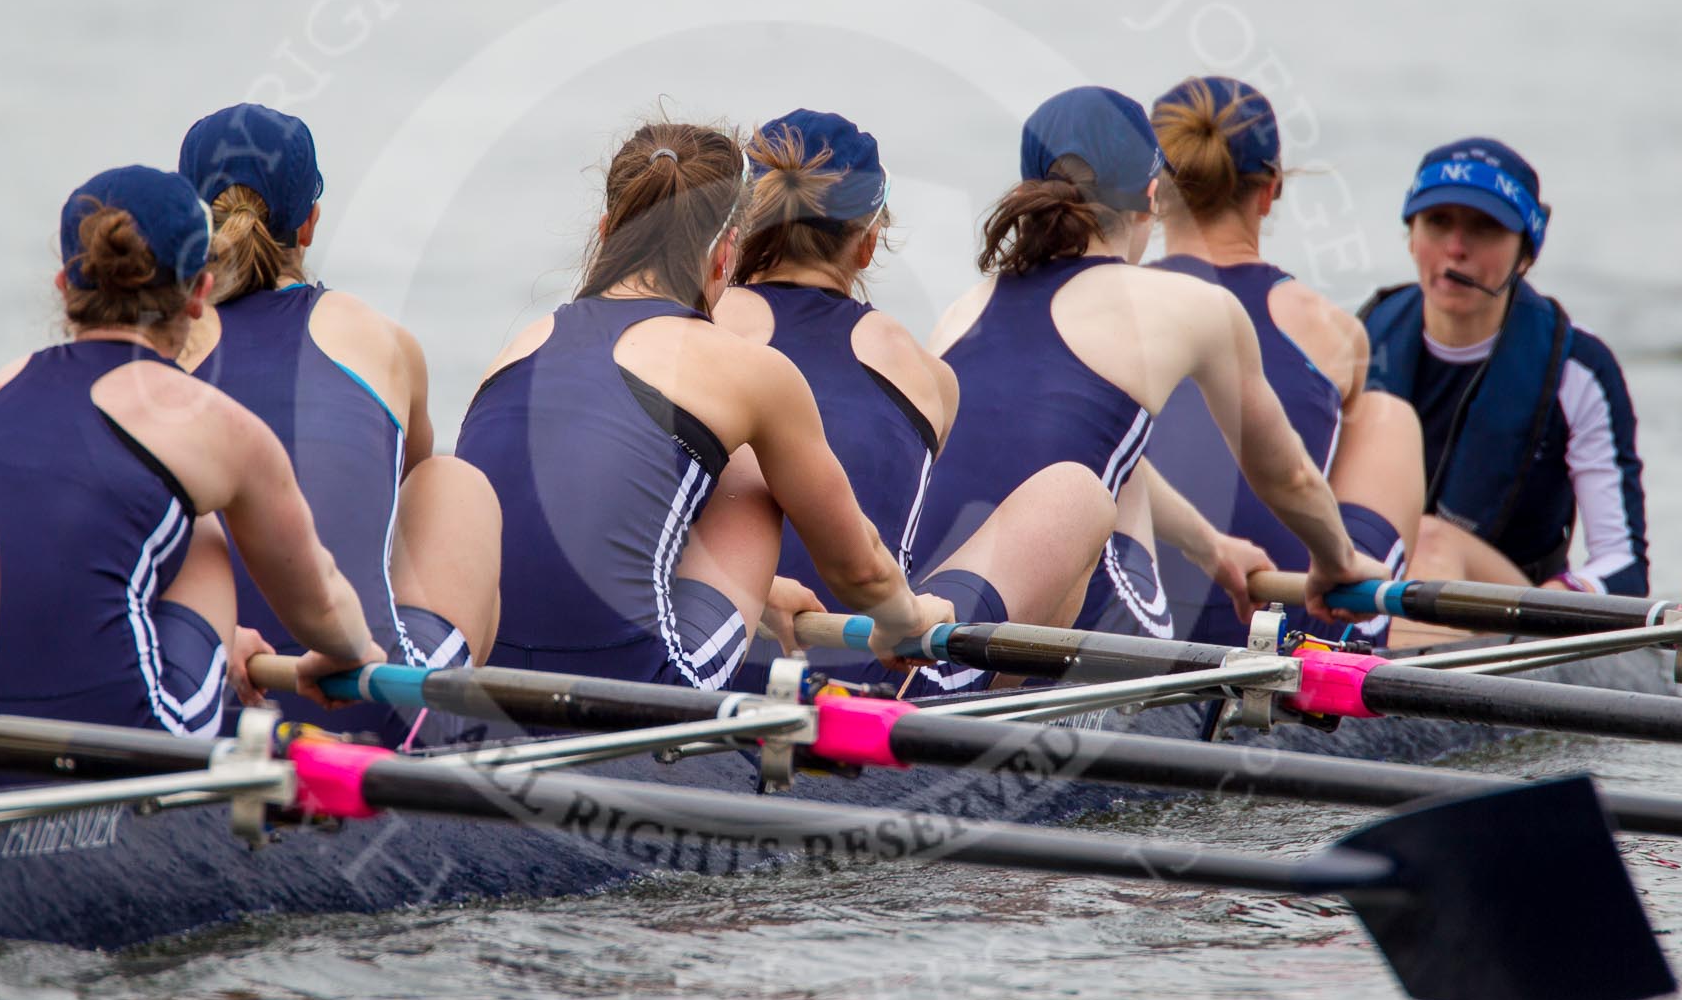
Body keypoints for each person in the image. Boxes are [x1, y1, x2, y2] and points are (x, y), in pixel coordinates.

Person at [454, 119, 952, 689]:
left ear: (605, 229)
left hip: (480, 681)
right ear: (725, 255)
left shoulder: (518, 349)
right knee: (752, 474)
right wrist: (908, 621)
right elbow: (858, 569)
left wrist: (759, 590)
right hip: (638, 692)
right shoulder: (749, 369)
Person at [0, 165, 384, 741]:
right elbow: (322, 608)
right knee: (202, 534)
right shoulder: (216, 424)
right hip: (126, 740)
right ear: (200, 293)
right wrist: (348, 654)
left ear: (64, 286)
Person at [914, 86, 1368, 644]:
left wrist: (1209, 545)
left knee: (1106, 444)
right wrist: (1336, 561)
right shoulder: (1193, 304)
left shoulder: (960, 313)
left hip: (927, 628)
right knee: (1110, 454)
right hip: (1067, 642)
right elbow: (1289, 477)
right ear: (1152, 197)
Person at [715, 110, 1113, 693]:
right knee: (1080, 495)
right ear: (869, 243)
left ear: (741, 227)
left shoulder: (690, 330)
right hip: (875, 674)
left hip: (707, 643)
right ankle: (977, 745)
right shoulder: (924, 374)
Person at [175, 104, 500, 732]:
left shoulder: (150, 357)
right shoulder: (380, 339)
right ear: (310, 225)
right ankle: (446, 741)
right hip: (365, 700)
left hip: (197, 705)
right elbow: (405, 486)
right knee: (452, 484)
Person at [1145, 77, 1423, 644]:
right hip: (1266, 621)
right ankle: (1356, 618)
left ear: (1153, 190)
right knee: (1384, 418)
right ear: (1269, 191)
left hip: (1124, 618)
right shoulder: (1331, 328)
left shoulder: (1101, 305)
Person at [1359, 138, 1647, 600]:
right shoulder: (1361, 339)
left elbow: (1623, 563)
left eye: (1485, 227)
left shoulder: (1580, 371)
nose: (1456, 249)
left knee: (1428, 542)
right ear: (1410, 236)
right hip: (1374, 589)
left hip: (1514, 611)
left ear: (1525, 255)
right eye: (1437, 223)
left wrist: (1561, 597)